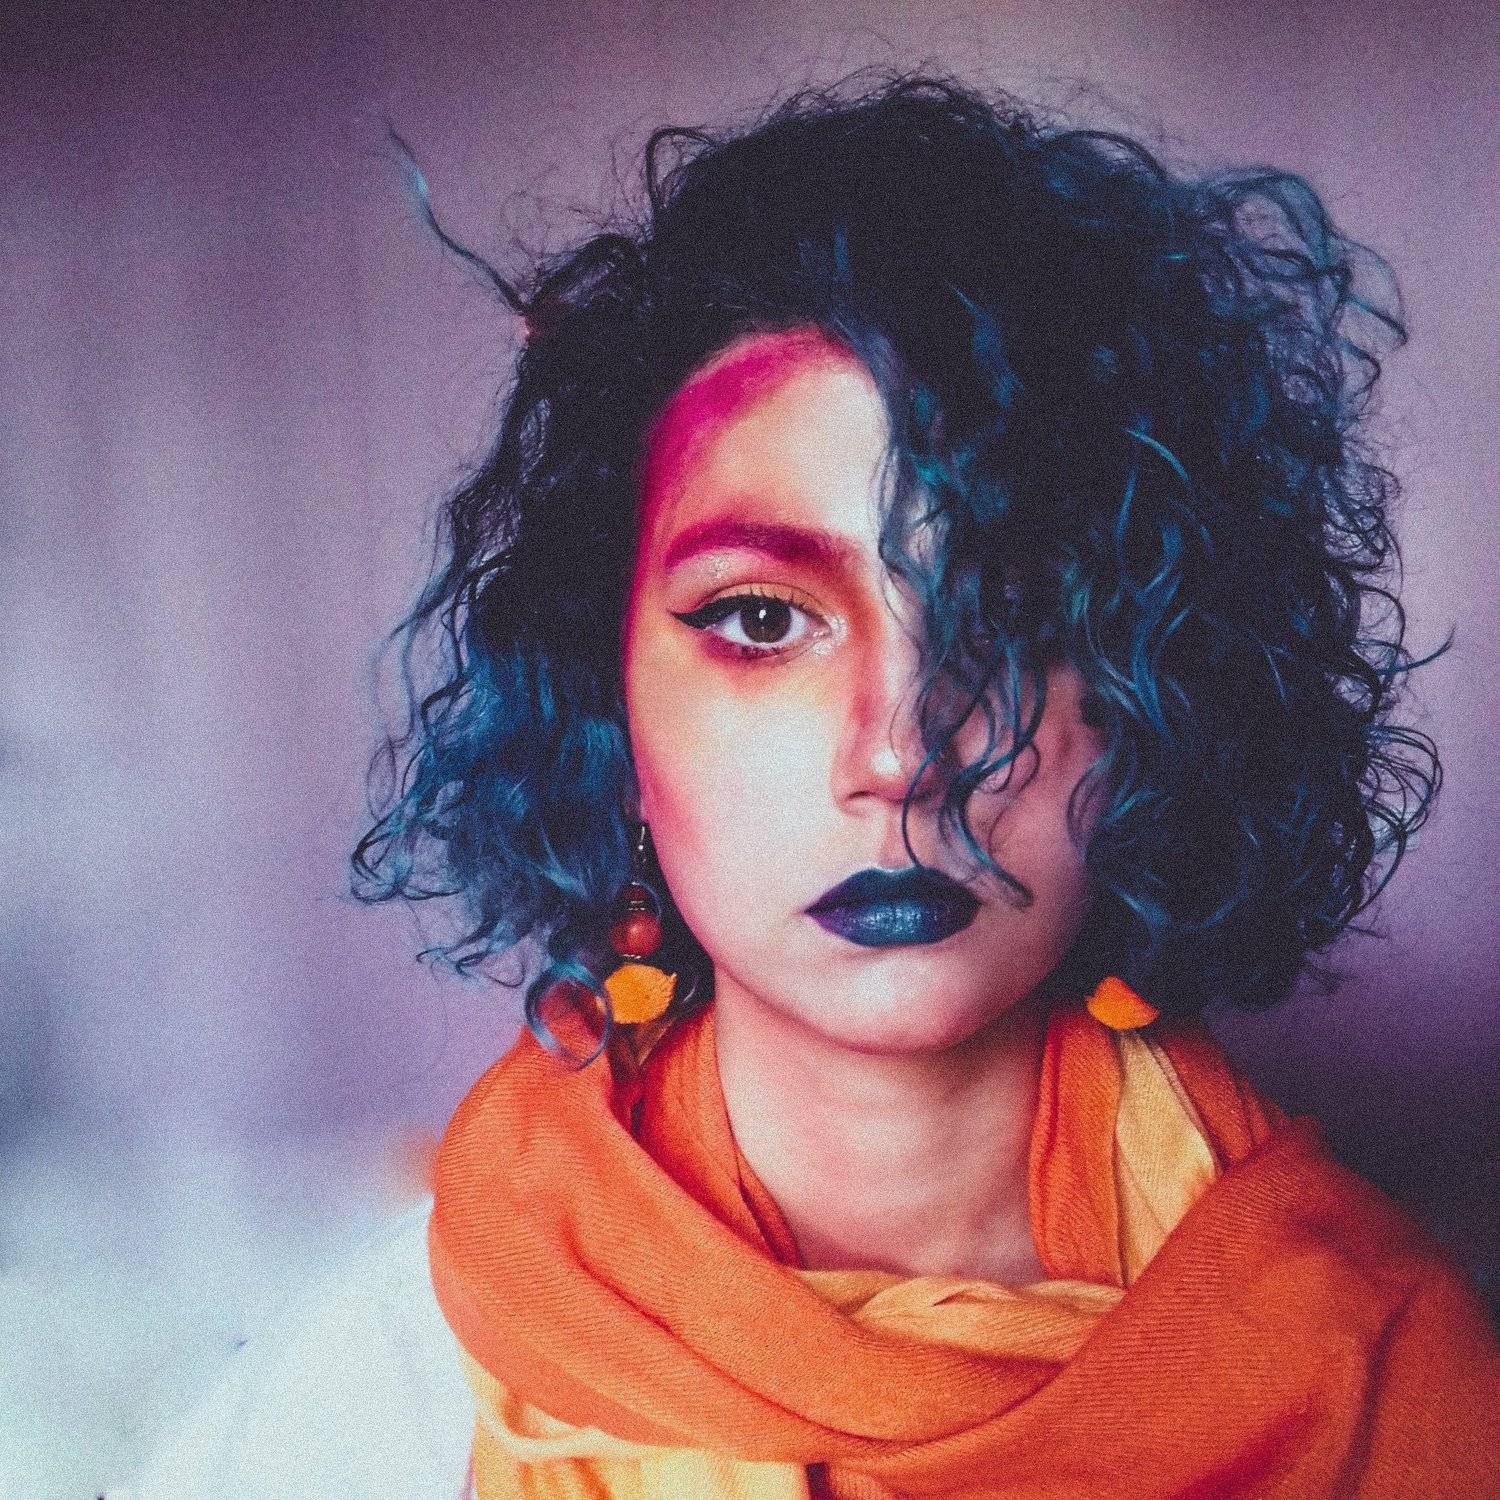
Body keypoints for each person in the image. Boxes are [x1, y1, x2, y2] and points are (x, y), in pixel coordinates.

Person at [136, 70, 1499, 1498]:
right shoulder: (375, 1400)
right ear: (606, 704)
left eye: (1010, 614)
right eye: (762, 619)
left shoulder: (1388, 1372)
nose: (901, 757)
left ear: (1156, 689)